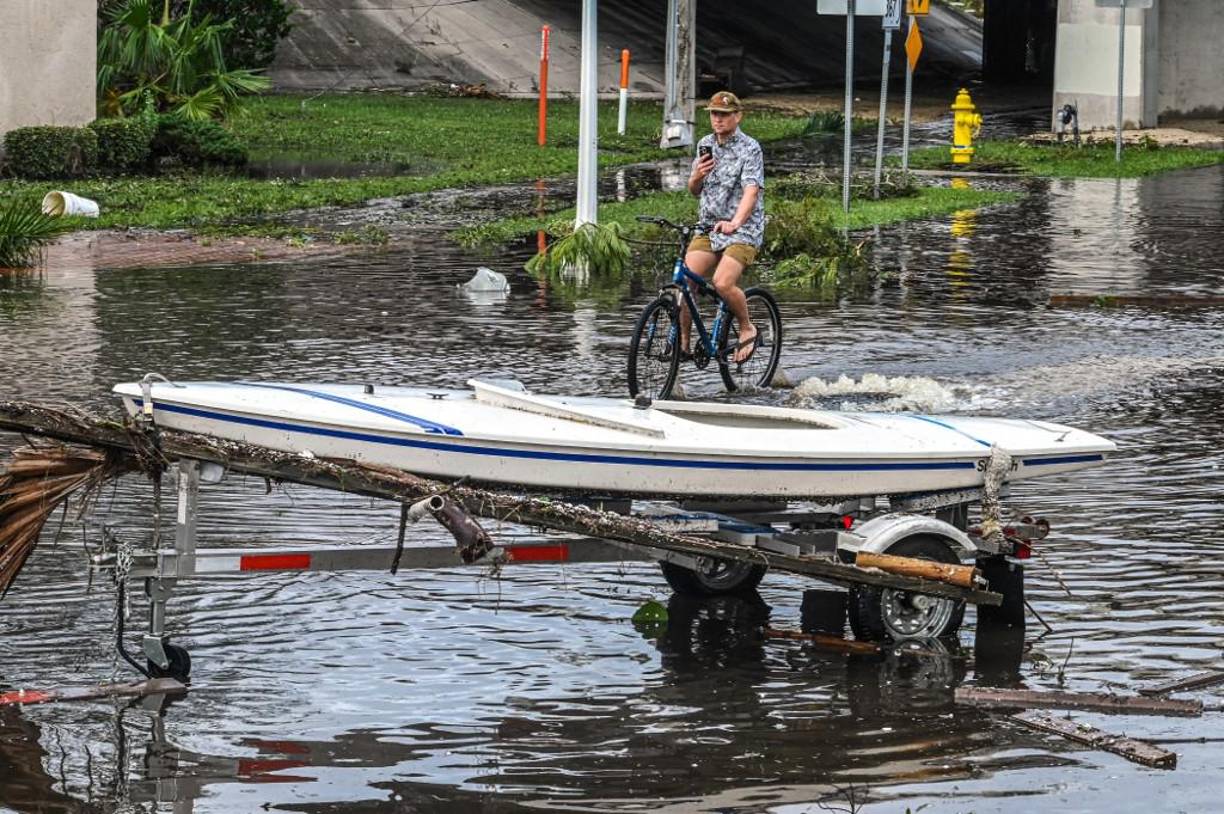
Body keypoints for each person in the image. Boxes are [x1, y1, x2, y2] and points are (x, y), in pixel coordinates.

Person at [684, 91, 765, 364]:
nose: (718, 119)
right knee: (683, 284)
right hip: (709, 227)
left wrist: (735, 223)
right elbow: (694, 190)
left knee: (721, 282)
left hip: (742, 229)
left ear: (737, 116)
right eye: (714, 114)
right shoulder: (705, 144)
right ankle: (681, 348)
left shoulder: (750, 147)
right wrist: (696, 176)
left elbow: (751, 191)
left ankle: (745, 326)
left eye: (724, 114)